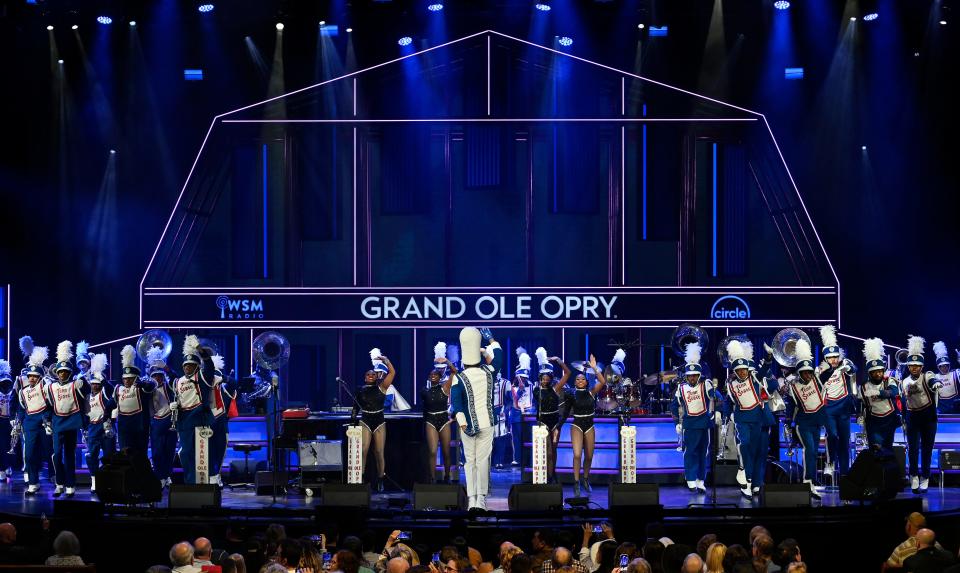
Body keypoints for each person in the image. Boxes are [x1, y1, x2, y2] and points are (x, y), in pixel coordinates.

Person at [451, 327, 503, 510]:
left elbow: (456, 404)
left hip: (467, 426)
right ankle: (480, 499)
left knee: (469, 462)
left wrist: (463, 423)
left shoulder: (459, 377)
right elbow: (499, 359)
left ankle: (472, 498)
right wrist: (491, 341)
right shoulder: (488, 372)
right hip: (487, 423)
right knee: (482, 462)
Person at [722, 339, 773, 498]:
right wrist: (726, 417)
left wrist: (769, 357)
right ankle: (747, 479)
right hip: (742, 419)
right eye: (740, 370)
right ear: (735, 371)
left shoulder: (757, 376)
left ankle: (755, 483)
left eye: (745, 369)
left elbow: (769, 379)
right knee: (746, 447)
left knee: (759, 452)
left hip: (760, 419)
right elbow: (728, 401)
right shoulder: (731, 384)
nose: (744, 372)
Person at [783, 337, 826, 498]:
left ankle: (812, 482)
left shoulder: (816, 380)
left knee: (814, 452)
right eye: (805, 372)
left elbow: (828, 372)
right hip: (802, 424)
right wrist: (789, 424)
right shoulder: (793, 387)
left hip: (816, 423)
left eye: (809, 371)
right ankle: (807, 482)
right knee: (809, 449)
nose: (808, 375)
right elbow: (790, 407)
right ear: (800, 373)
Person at [671, 342, 717, 492]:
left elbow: (715, 397)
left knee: (704, 453)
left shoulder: (705, 385)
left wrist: (715, 402)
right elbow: (673, 406)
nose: (691, 378)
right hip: (689, 425)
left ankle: (700, 479)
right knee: (690, 452)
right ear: (686, 376)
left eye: (694, 376)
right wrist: (677, 422)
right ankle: (690, 478)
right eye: (689, 376)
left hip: (704, 423)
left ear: (698, 375)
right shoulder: (681, 388)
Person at [815, 324, 858, 480]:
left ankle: (845, 474)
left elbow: (854, 370)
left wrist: (848, 366)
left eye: (836, 357)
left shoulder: (845, 365)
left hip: (844, 408)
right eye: (830, 357)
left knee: (844, 441)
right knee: (832, 436)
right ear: (826, 358)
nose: (834, 360)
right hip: (829, 408)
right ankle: (830, 462)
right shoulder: (819, 370)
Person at [173, 335, 216, 484]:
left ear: (197, 367)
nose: (187, 367)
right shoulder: (178, 381)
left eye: (191, 365)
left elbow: (210, 365)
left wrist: (199, 349)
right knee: (185, 454)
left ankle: (203, 484)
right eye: (185, 365)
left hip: (200, 419)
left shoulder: (203, 376)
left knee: (202, 455)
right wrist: (175, 406)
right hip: (184, 422)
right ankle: (190, 483)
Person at [47, 340, 88, 497]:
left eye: (65, 372)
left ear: (69, 373)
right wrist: (47, 421)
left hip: (71, 422)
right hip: (57, 422)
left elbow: (88, 391)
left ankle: (70, 485)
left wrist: (83, 383)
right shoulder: (51, 386)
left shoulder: (76, 384)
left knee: (69, 455)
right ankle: (59, 483)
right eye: (60, 372)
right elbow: (49, 406)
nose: (63, 374)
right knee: (56, 455)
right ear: (57, 373)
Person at [901, 336, 940, 493]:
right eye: (912, 366)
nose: (914, 368)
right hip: (912, 418)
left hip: (928, 418)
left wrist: (936, 384)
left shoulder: (927, 375)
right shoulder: (904, 381)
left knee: (927, 448)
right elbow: (904, 402)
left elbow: (933, 380)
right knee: (913, 448)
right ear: (909, 366)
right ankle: (914, 475)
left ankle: (925, 476)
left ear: (922, 366)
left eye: (917, 366)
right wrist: (904, 419)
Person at [354, 348, 397, 492]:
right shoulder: (360, 390)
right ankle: (362, 479)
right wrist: (353, 417)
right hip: (365, 420)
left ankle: (380, 480)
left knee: (379, 452)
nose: (371, 375)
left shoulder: (382, 387)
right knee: (364, 450)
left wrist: (387, 361)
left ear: (376, 376)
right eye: (368, 374)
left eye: (373, 374)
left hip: (379, 421)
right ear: (365, 377)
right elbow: (356, 406)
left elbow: (392, 373)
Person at [568, 354, 608, 497]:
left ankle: (585, 479)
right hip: (577, 424)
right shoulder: (571, 394)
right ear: (575, 382)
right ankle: (576, 482)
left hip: (590, 424)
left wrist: (594, 368)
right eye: (577, 379)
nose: (580, 380)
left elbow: (603, 381)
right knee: (577, 454)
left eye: (582, 379)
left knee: (589, 456)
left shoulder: (591, 393)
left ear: (586, 382)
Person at [532, 347, 570, 484]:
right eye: (543, 377)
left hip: (555, 422)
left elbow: (568, 374)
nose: (545, 380)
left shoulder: (555, 389)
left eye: (548, 377)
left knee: (553, 450)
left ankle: (552, 474)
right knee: (546, 451)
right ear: (540, 378)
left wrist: (559, 361)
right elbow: (538, 397)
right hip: (542, 422)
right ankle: (547, 476)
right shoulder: (537, 390)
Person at [17, 345, 51, 496]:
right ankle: (33, 483)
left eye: (34, 376)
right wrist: (18, 422)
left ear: (39, 377)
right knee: (29, 454)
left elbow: (52, 402)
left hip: (44, 421)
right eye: (29, 376)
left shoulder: (45, 385)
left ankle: (57, 480)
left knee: (49, 452)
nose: (31, 378)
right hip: (30, 422)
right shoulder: (23, 391)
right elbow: (22, 408)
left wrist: (47, 418)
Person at [860, 338, 901, 451]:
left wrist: (879, 392)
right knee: (875, 451)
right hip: (873, 423)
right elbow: (862, 403)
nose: (878, 374)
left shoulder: (889, 380)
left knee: (888, 450)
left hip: (889, 420)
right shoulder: (863, 386)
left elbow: (894, 392)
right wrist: (859, 414)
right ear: (870, 373)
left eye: (880, 371)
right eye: (875, 372)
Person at [145, 346, 178, 488]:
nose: (157, 378)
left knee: (169, 451)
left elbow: (177, 378)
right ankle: (160, 476)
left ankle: (168, 475)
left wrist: (166, 368)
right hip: (156, 422)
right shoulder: (147, 388)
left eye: (159, 375)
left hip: (170, 420)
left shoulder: (169, 385)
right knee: (157, 452)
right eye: (155, 376)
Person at [115, 344, 156, 455]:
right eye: (125, 379)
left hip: (140, 427)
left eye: (130, 378)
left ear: (136, 378)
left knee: (140, 455)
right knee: (125, 455)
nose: (127, 381)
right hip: (124, 428)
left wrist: (143, 384)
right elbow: (110, 404)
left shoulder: (141, 387)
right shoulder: (118, 389)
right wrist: (106, 417)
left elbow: (152, 386)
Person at [424, 342, 455, 483]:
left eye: (440, 372)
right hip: (431, 419)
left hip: (444, 418)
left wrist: (447, 361)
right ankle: (431, 478)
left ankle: (447, 476)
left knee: (446, 452)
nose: (436, 374)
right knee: (432, 452)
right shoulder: (426, 387)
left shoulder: (446, 386)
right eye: (434, 373)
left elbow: (455, 372)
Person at [85, 353, 115, 495]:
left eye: (97, 384)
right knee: (92, 456)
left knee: (109, 456)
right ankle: (95, 480)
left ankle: (109, 481)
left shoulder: (105, 392)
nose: (95, 387)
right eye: (93, 384)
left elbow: (109, 388)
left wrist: (100, 375)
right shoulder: (86, 396)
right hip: (92, 428)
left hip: (105, 426)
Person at [510, 351, 533, 467]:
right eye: (521, 378)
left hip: (528, 417)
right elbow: (514, 401)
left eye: (525, 378)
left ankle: (528, 460)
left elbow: (532, 401)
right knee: (517, 440)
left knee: (528, 440)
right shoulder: (512, 387)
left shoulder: (532, 385)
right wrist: (520, 389)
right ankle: (518, 459)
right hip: (516, 417)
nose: (523, 380)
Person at [0, 360, 19, 480]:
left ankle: (9, 466)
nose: (5, 384)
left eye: (7, 382)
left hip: (11, 421)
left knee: (11, 445)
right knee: (1, 445)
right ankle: (1, 468)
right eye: (3, 382)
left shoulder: (13, 392)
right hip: (0, 421)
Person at [933, 342, 960, 414]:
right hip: (941, 410)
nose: (944, 368)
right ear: (938, 367)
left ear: (949, 365)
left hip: (956, 408)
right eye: (941, 366)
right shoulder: (934, 377)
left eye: (946, 365)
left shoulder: (956, 373)